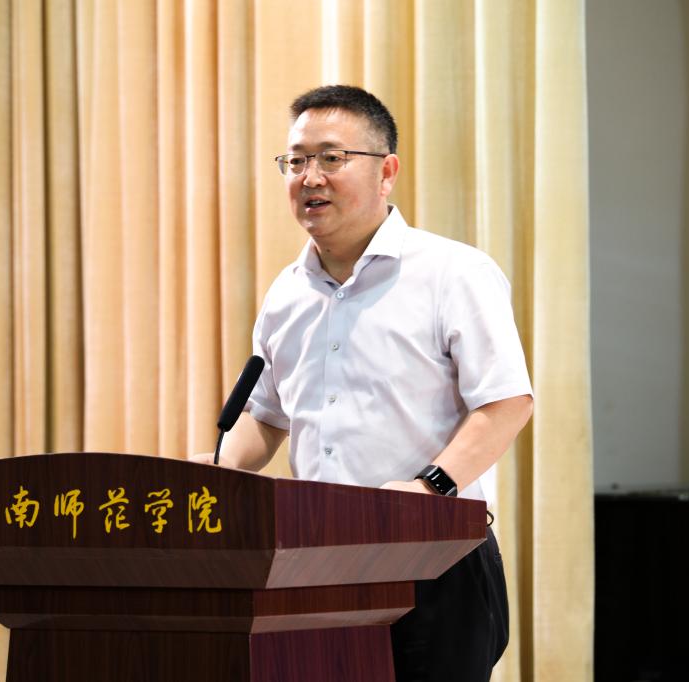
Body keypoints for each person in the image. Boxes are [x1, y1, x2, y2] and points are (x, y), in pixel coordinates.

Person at [192, 85, 533, 681]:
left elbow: (506, 402)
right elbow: (267, 416)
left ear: (386, 172)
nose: (310, 177)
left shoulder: (453, 273)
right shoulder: (286, 294)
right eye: (296, 160)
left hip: (433, 556)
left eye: (332, 158)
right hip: (316, 559)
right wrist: (220, 469)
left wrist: (429, 488)